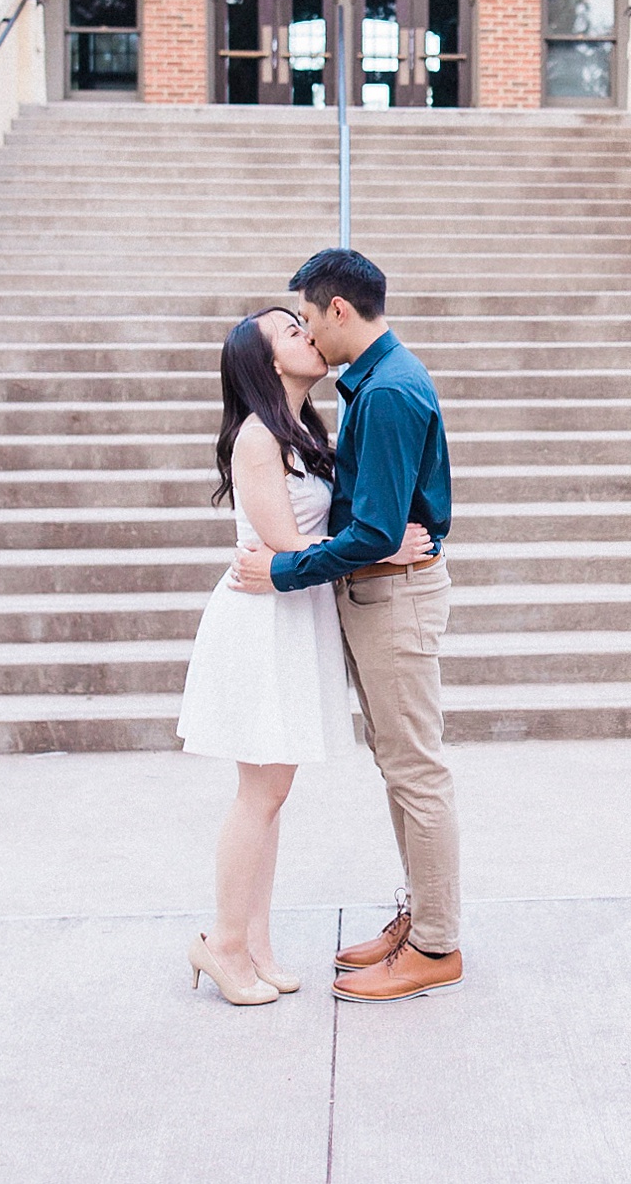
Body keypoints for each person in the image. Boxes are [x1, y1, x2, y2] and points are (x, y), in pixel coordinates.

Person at [180, 305, 433, 1006]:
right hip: (261, 623)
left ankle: (254, 943)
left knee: (273, 793)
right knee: (258, 792)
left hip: (291, 618)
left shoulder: (299, 432)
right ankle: (223, 944)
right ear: (265, 362)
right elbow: (289, 550)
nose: (308, 334)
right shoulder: (257, 438)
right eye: (291, 331)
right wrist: (382, 544)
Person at [228, 247, 462, 1003]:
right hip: (378, 596)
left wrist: (285, 571)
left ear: (338, 310)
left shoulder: (388, 391)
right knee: (400, 767)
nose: (307, 332)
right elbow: (375, 521)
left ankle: (435, 943)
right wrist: (381, 532)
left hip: (396, 599)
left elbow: (373, 529)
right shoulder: (369, 388)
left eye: (306, 317)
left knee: (415, 770)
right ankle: (420, 918)